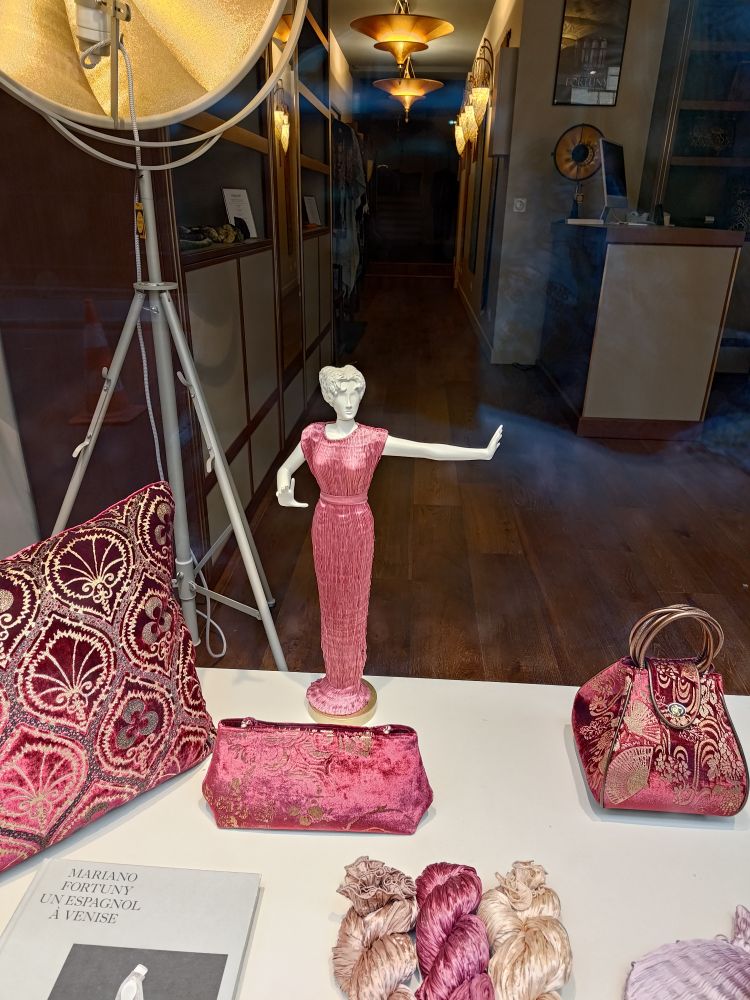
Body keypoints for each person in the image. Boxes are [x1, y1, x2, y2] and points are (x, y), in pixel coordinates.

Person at [277, 364, 503, 718]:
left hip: (356, 525)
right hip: (324, 524)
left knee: (353, 602)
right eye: (341, 393)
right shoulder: (312, 436)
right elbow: (286, 468)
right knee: (329, 599)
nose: (349, 401)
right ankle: (334, 680)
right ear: (328, 396)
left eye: (355, 392)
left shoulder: (370, 439)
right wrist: (282, 487)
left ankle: (349, 684)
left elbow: (426, 450)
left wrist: (480, 453)